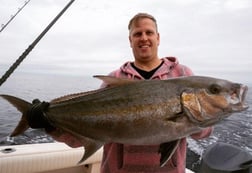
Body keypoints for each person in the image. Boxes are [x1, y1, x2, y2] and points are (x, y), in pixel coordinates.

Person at [49, 13, 213, 173]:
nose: (144, 38)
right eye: (137, 34)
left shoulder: (182, 74)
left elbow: (205, 132)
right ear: (130, 40)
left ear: (158, 37)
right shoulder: (114, 78)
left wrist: (190, 122)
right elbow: (84, 137)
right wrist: (51, 126)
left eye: (149, 32)